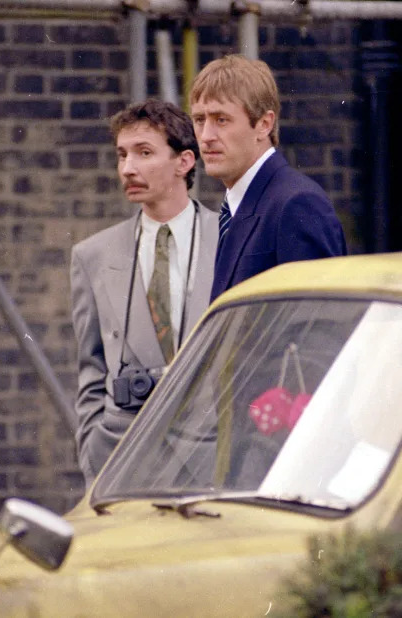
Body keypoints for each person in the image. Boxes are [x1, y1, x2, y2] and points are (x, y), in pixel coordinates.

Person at [70, 99, 217, 485]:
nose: (127, 168)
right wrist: (93, 456)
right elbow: (91, 368)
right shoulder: (93, 256)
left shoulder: (230, 239)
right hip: (125, 463)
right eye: (122, 155)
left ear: (184, 162)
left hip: (211, 461)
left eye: (144, 153)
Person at [189, 54, 347, 301]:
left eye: (221, 119)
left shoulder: (297, 203)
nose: (206, 135)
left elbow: (316, 324)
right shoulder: (237, 205)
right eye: (200, 120)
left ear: (264, 124)